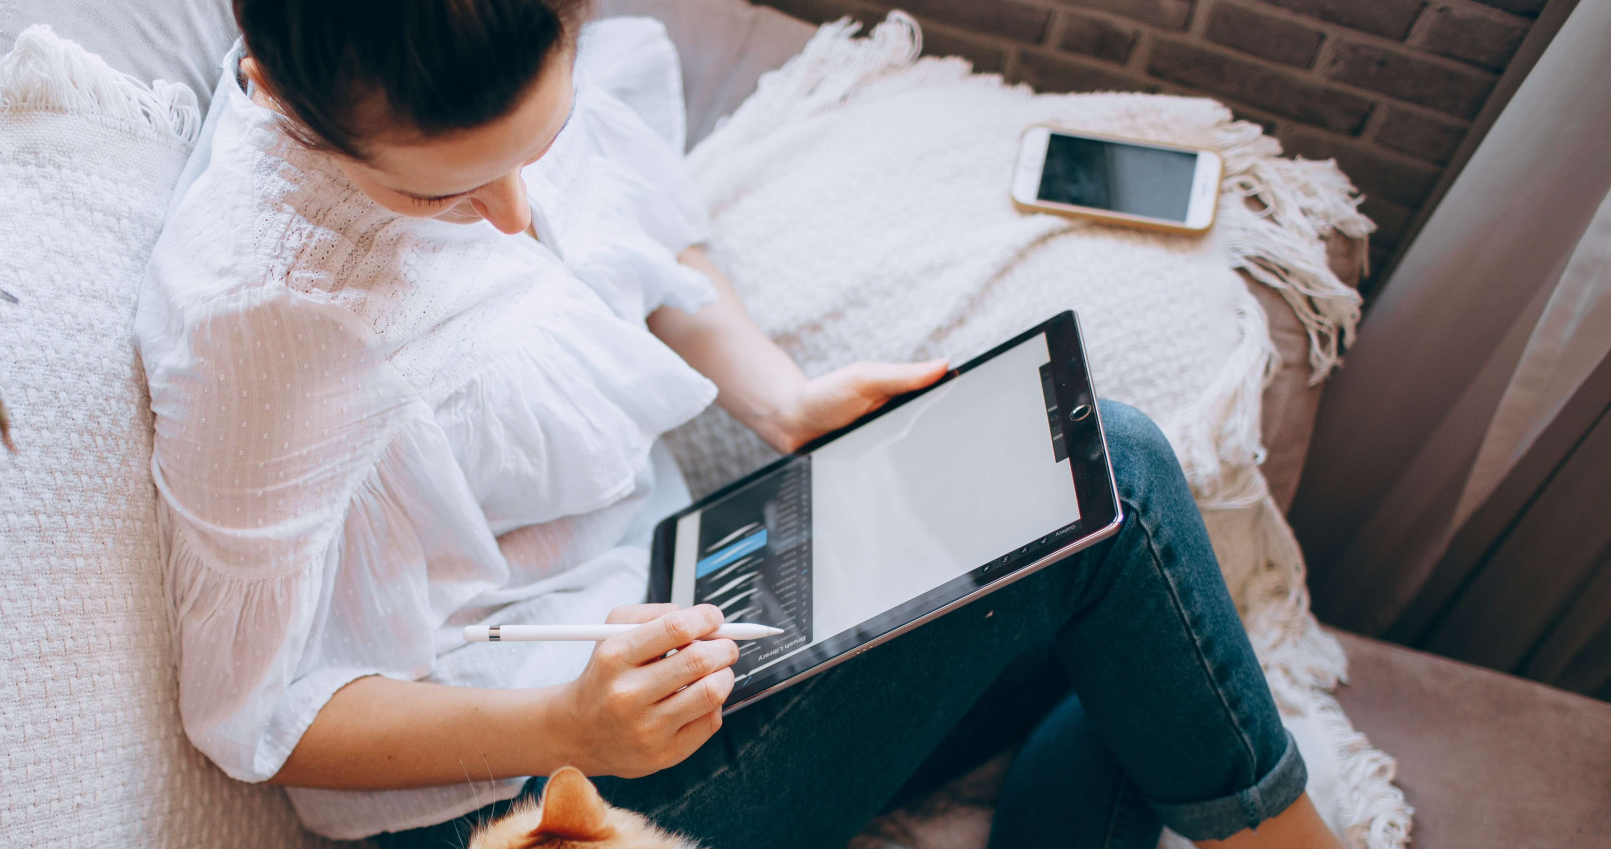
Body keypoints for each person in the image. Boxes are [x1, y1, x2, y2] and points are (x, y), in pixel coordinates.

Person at [134, 2, 1344, 847]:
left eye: (533, 154)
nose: (513, 218)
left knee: (1083, 545)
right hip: (533, 786)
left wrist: (780, 398)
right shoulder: (266, 324)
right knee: (1120, 484)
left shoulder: (488, 55)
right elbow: (261, 713)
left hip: (698, 604)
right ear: (283, 81)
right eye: (438, 192)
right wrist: (559, 724)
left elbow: (641, 226)